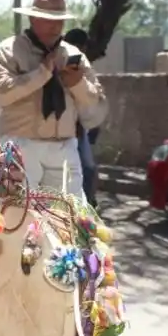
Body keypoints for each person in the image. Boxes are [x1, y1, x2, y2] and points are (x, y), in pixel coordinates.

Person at [0, 0, 107, 197]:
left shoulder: (73, 55)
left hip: (63, 147)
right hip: (19, 145)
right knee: (15, 216)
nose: (56, 26)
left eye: (60, 20)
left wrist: (77, 83)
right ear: (32, 18)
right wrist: (41, 74)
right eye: (49, 19)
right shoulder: (9, 50)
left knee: (68, 215)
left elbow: (95, 101)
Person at [63, 28, 100, 207]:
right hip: (57, 129)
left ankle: (87, 205)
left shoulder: (83, 68)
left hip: (78, 128)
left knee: (88, 169)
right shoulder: (55, 64)